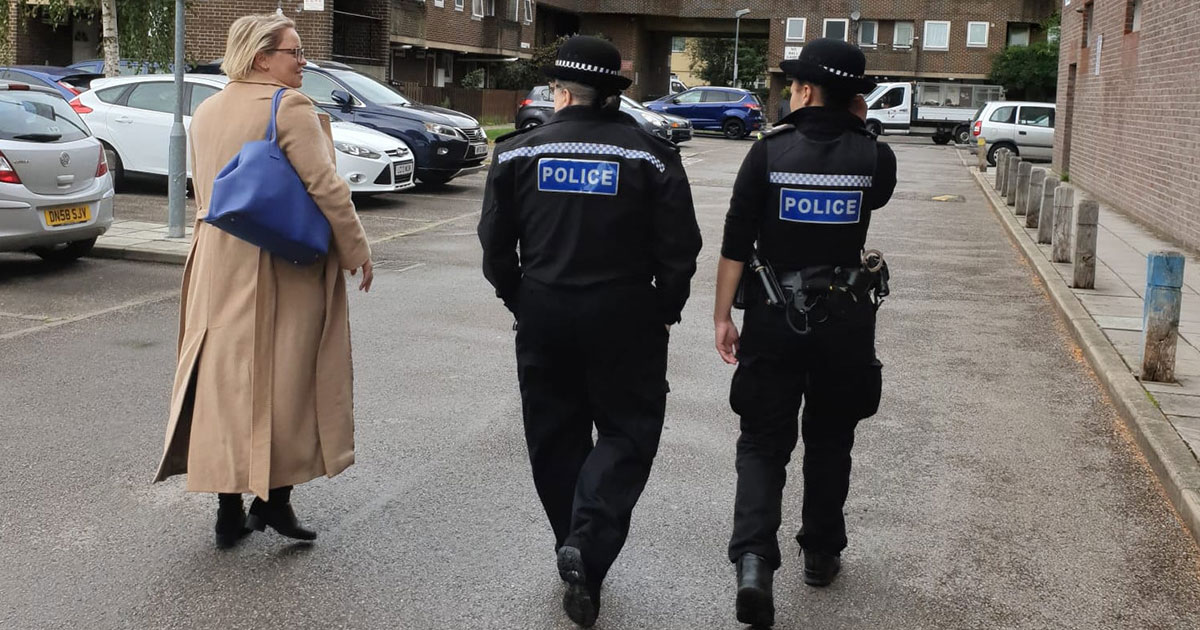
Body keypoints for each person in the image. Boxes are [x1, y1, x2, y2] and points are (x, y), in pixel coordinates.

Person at [478, 35, 702, 629]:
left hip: (545, 311)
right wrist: (665, 309)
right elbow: (680, 247)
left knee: (554, 436)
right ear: (614, 93)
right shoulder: (651, 154)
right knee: (628, 433)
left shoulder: (517, 153)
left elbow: (496, 247)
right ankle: (588, 544)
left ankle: (572, 550)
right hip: (626, 313)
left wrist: (520, 298)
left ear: (559, 92)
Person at [153, 13, 374, 549]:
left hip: (215, 262)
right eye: (294, 52)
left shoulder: (205, 109)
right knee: (288, 379)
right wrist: (357, 250)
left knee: (224, 382)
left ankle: (229, 511)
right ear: (261, 57)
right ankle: (275, 503)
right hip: (280, 264)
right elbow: (326, 188)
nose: (303, 62)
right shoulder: (288, 106)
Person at [712, 38, 897, 627]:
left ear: (807, 90)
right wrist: (858, 124)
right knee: (831, 435)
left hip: (773, 317)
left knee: (763, 441)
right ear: (854, 99)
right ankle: (819, 551)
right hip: (845, 320)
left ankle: (753, 565)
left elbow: (736, 242)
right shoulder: (875, 156)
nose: (789, 91)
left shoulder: (768, 152)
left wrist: (723, 316)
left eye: (794, 84)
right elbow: (881, 197)